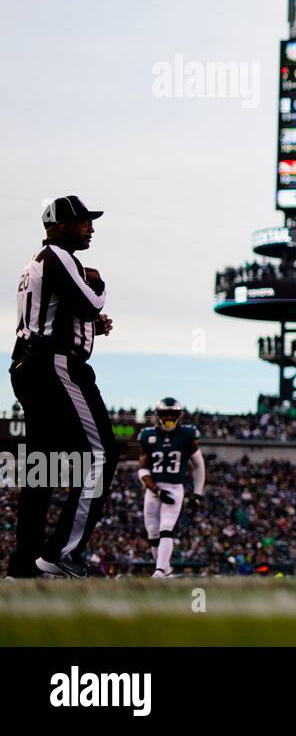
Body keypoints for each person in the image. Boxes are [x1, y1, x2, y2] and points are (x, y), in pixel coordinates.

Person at [8, 196, 117, 579]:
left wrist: (92, 327)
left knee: (44, 468)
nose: (90, 228)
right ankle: (60, 553)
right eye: (83, 221)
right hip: (55, 365)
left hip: (29, 364)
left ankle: (23, 564)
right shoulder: (58, 257)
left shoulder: (34, 264)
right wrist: (98, 281)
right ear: (59, 225)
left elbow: (58, 317)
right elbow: (90, 303)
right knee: (102, 454)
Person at [136, 397, 204, 578]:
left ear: (179, 415)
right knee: (152, 532)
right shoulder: (147, 436)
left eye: (172, 414)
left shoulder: (187, 435)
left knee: (166, 528)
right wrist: (156, 490)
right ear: (158, 415)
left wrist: (197, 494)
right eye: (165, 414)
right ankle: (166, 571)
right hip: (153, 490)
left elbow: (199, 466)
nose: (168, 418)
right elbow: (142, 470)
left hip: (174, 487)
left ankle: (158, 572)